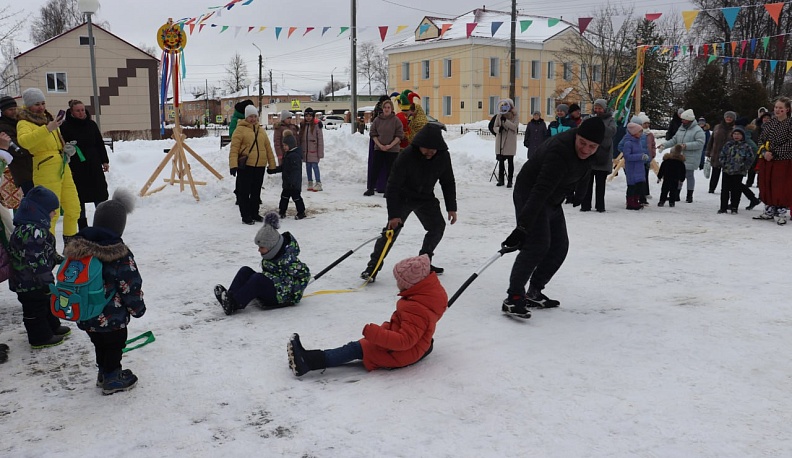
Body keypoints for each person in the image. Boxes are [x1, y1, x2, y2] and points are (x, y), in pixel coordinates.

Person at [500, 116, 605, 318]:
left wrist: (580, 192)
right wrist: (522, 227)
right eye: (582, 143)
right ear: (577, 135)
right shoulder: (560, 151)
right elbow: (540, 189)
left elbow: (586, 167)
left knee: (559, 246)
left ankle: (534, 291)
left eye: (592, 146)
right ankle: (513, 298)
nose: (585, 149)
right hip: (532, 193)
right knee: (537, 245)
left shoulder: (591, 151)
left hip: (554, 196)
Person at [287, 254, 446, 377]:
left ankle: (306, 362)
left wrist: (376, 333)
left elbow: (404, 341)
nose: (396, 284)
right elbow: (415, 326)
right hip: (413, 347)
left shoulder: (416, 307)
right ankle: (308, 357)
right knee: (358, 346)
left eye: (399, 281)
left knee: (355, 348)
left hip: (400, 353)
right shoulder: (427, 296)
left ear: (410, 285)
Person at [65, 189, 145, 394]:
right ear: (120, 227)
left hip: (86, 312)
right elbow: (130, 284)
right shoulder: (118, 253)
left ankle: (104, 371)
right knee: (114, 344)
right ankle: (112, 377)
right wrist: (137, 308)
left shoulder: (79, 248)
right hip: (112, 315)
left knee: (99, 343)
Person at [361, 123, 457, 281]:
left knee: (437, 227)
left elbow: (448, 182)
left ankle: (424, 262)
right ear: (420, 145)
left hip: (425, 197)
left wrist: (451, 207)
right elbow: (392, 185)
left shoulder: (442, 156)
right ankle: (372, 268)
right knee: (391, 232)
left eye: (433, 151)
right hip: (403, 197)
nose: (430, 154)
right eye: (427, 149)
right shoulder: (407, 155)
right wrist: (393, 215)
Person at [16, 88, 81, 246]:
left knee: (74, 208)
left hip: (61, 165)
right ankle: (48, 249)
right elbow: (24, 141)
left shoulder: (49, 118)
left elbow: (54, 140)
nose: (41, 107)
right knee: (51, 212)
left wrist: (65, 148)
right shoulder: (24, 122)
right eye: (36, 104)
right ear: (28, 105)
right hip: (44, 167)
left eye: (43, 103)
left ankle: (71, 246)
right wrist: (47, 129)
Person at [8, 186, 70, 349]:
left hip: (34, 280)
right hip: (28, 282)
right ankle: (39, 337)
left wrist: (60, 260)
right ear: (40, 211)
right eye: (52, 210)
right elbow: (37, 261)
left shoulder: (35, 229)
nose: (55, 214)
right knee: (34, 309)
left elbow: (45, 252)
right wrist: (47, 281)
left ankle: (52, 327)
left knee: (45, 303)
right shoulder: (32, 231)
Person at [214, 212, 310, 315]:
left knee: (257, 279)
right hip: (273, 286)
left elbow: (305, 275)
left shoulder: (288, 260)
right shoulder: (273, 254)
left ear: (272, 247)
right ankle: (230, 297)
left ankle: (235, 304)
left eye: (261, 247)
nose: (259, 250)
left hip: (280, 296)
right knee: (245, 270)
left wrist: (294, 296)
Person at [59, 99, 110, 230]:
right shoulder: (65, 127)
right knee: (78, 197)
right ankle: (83, 227)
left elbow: (99, 143)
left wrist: (104, 160)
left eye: (82, 110)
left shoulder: (91, 124)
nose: (81, 113)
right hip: (76, 166)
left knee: (100, 194)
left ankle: (102, 224)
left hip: (93, 165)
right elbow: (62, 146)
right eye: (78, 110)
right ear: (71, 112)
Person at [229, 104, 278, 225]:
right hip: (246, 166)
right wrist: (233, 165)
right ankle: (246, 216)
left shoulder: (261, 130)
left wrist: (272, 165)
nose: (253, 119)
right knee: (244, 192)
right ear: (246, 117)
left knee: (256, 192)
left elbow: (268, 148)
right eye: (250, 116)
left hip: (260, 166)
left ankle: (254, 213)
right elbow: (234, 149)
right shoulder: (239, 130)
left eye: (255, 116)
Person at [754, 97, 792, 225]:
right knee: (766, 183)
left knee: (780, 186)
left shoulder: (790, 124)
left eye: (781, 108)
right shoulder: (770, 124)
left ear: (787, 109)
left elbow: (790, 143)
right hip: (767, 160)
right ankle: (769, 209)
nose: (778, 110)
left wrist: (775, 153)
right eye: (776, 107)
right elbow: (761, 140)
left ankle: (781, 212)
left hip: (783, 160)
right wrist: (764, 152)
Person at [657, 109, 705, 203]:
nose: (682, 121)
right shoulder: (681, 128)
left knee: (689, 175)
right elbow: (675, 140)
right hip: (679, 156)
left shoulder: (698, 130)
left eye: (684, 119)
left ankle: (689, 195)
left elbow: (700, 143)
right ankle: (675, 195)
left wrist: (686, 146)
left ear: (689, 119)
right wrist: (664, 145)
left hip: (691, 156)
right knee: (677, 175)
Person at [580, 99, 616, 212]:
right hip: (589, 154)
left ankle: (600, 206)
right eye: (596, 108)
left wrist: (598, 126)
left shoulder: (610, 120)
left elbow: (612, 132)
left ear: (604, 109)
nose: (597, 110)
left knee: (600, 183)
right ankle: (585, 205)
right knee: (587, 182)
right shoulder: (589, 118)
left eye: (600, 108)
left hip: (603, 154)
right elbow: (581, 129)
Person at [364, 99, 404, 197]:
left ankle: (389, 190)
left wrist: (390, 145)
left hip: (392, 150)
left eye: (388, 107)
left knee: (391, 171)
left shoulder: (396, 120)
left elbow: (399, 135)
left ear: (391, 109)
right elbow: (373, 133)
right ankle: (371, 189)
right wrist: (380, 145)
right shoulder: (377, 120)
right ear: (382, 109)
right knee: (375, 169)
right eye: (385, 107)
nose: (386, 109)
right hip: (379, 148)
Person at [717, 126, 756, 214]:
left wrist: (744, 167)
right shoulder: (728, 145)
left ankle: (734, 207)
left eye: (738, 134)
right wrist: (723, 164)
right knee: (725, 190)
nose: (736, 136)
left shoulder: (746, 146)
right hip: (727, 170)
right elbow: (722, 155)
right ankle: (723, 207)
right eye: (735, 134)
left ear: (742, 136)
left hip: (739, 171)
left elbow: (750, 158)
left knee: (736, 190)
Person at [0, 95, 34, 194]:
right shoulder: (3, 127)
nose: (14, 111)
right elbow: (16, 148)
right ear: (3, 111)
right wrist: (35, 148)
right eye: (10, 109)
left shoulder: (21, 121)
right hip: (23, 171)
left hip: (33, 167)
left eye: (15, 108)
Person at [365, 95, 391, 195]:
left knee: (375, 163)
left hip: (377, 140)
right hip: (380, 140)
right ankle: (381, 185)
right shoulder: (381, 114)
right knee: (382, 164)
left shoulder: (377, 110)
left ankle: (374, 184)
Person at [279, 130, 306, 220]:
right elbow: (284, 167)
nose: (284, 147)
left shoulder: (294, 156)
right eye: (283, 145)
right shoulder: (288, 154)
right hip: (287, 182)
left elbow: (296, 171)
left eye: (285, 145)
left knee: (296, 198)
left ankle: (301, 212)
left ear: (291, 145)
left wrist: (293, 182)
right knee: (284, 197)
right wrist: (274, 170)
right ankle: (282, 211)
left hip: (294, 183)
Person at [707, 111, 736, 194]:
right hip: (716, 153)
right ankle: (712, 188)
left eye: (730, 117)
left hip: (728, 154)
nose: (729, 118)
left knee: (727, 173)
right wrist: (708, 151)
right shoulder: (717, 127)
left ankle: (726, 189)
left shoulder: (735, 128)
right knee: (715, 171)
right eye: (727, 117)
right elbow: (711, 140)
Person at [622, 122, 649, 210]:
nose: (641, 134)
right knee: (632, 186)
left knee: (638, 186)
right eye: (639, 132)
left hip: (639, 168)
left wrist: (644, 156)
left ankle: (635, 201)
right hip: (632, 168)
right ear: (633, 133)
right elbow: (627, 156)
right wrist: (640, 156)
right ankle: (630, 203)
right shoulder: (628, 143)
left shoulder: (638, 142)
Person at [494, 98, 518, 187]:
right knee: (501, 162)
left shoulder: (515, 115)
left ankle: (510, 180)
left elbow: (514, 127)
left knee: (510, 162)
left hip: (510, 142)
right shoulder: (499, 115)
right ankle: (501, 180)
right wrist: (498, 129)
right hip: (501, 141)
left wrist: (506, 121)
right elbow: (494, 127)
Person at [300, 107, 324, 192]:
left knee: (315, 166)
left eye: (310, 116)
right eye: (306, 116)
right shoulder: (303, 125)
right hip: (305, 151)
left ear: (313, 116)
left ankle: (318, 183)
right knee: (308, 166)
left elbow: (320, 140)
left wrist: (320, 153)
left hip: (314, 150)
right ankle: (310, 182)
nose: (308, 117)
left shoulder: (317, 125)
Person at [746, 111, 771, 188]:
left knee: (762, 167)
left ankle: (759, 183)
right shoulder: (756, 128)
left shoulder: (772, 128)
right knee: (752, 167)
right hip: (755, 149)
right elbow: (751, 137)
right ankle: (749, 182)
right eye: (764, 118)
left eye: (768, 118)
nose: (766, 119)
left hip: (765, 150)